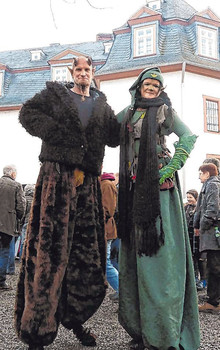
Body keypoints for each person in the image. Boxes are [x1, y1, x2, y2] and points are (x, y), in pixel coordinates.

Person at [15, 55, 120, 350]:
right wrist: (58, 135)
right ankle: (37, 327)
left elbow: (114, 136)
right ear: (72, 73)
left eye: (88, 69)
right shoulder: (55, 95)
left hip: (87, 183)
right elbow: (27, 114)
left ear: (93, 72)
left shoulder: (101, 104)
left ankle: (75, 318)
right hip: (56, 178)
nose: (83, 74)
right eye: (79, 70)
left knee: (86, 253)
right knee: (48, 251)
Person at [117, 67, 200, 350]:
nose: (151, 87)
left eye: (156, 84)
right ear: (138, 86)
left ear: (160, 89)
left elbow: (188, 137)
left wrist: (170, 169)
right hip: (132, 189)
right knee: (135, 257)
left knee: (160, 258)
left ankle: (163, 332)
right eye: (147, 83)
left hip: (158, 189)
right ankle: (142, 328)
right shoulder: (128, 113)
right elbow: (105, 132)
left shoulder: (165, 111)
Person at [194, 163, 220, 313]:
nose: (199, 177)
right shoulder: (210, 185)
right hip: (210, 232)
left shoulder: (213, 185)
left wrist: (202, 225)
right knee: (213, 266)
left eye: (200, 173)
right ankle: (213, 299)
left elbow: (212, 208)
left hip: (213, 233)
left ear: (207, 174)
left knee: (214, 267)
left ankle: (214, 302)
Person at [0, 165, 26, 290]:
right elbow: (21, 206)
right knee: (4, 251)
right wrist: (19, 218)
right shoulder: (16, 186)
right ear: (12, 173)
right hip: (7, 224)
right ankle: (1, 281)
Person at [100, 172, 119, 301]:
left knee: (106, 263)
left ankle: (122, 290)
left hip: (106, 229)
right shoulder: (105, 184)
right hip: (106, 228)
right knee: (105, 262)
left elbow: (107, 210)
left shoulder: (106, 184)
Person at [184, 189, 206, 290]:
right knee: (192, 260)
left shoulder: (200, 208)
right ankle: (194, 279)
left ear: (195, 198)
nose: (189, 199)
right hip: (189, 238)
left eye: (190, 197)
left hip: (198, 239)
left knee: (201, 260)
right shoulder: (185, 208)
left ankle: (203, 281)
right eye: (187, 197)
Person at [19, 184, 35, 260]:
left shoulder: (24, 199)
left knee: (23, 241)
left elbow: (23, 212)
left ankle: (21, 257)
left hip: (25, 222)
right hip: (32, 223)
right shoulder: (35, 200)